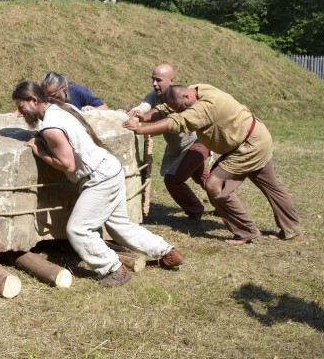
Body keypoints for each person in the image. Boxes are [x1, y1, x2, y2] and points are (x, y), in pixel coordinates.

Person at [13, 81, 184, 287]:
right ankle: (167, 252)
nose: (20, 113)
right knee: (120, 227)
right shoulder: (62, 107)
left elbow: (67, 164)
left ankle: (113, 268)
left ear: (34, 100)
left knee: (79, 229)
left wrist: (38, 149)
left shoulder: (50, 127)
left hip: (99, 177)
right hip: (110, 167)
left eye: (21, 108)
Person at [123, 83, 303, 246]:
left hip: (248, 146)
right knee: (272, 187)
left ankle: (246, 231)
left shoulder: (206, 106)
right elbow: (168, 110)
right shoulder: (197, 89)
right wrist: (145, 117)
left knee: (214, 185)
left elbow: (178, 121)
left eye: (182, 107)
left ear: (186, 96)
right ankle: (292, 231)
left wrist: (140, 129)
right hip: (256, 137)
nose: (182, 110)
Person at [124, 64, 210, 222]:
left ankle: (195, 210)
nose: (154, 84)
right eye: (153, 80)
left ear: (171, 81)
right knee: (204, 178)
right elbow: (144, 107)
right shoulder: (154, 96)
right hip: (177, 148)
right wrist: (136, 113)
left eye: (158, 80)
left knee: (173, 180)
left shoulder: (185, 96)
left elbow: (168, 123)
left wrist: (143, 128)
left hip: (197, 143)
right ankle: (224, 203)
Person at [41, 71, 108, 111]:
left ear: (64, 88)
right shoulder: (43, 99)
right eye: (46, 96)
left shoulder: (78, 92)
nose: (49, 99)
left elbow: (104, 107)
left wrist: (92, 110)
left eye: (53, 95)